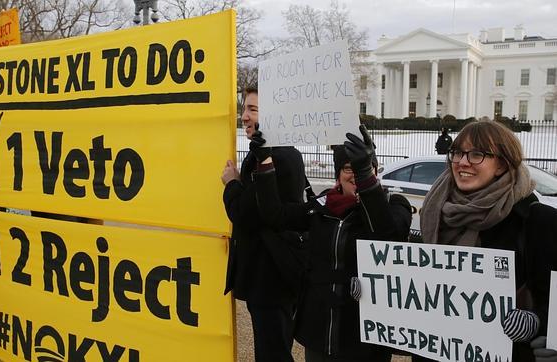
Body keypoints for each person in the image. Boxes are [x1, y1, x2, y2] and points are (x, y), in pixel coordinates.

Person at [251, 125, 412, 361]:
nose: (355, 174)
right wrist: (264, 163)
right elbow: (275, 215)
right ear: (338, 174)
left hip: (364, 337)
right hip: (319, 332)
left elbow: (385, 234)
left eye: (365, 168)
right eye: (349, 168)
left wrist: (364, 173)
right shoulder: (322, 206)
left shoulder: (394, 204)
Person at [420, 120, 557, 361]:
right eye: (457, 152)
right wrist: (372, 291)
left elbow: (552, 302)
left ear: (502, 164)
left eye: (476, 154)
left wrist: (537, 323)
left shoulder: (537, 220)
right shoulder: (436, 212)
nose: (462, 162)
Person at [221, 86, 307, 361]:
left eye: (253, 109)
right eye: (244, 108)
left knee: (273, 354)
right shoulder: (271, 153)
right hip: (269, 275)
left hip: (271, 276)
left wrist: (232, 183)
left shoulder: (279, 156)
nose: (244, 116)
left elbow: (245, 213)